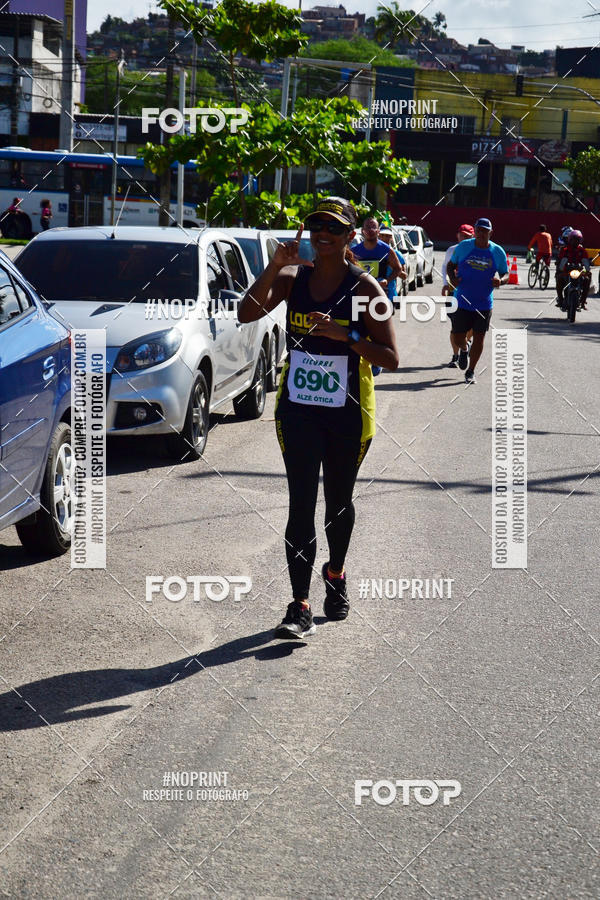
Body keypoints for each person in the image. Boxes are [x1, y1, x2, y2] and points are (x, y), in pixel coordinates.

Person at [238, 197, 399, 638]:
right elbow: (246, 313)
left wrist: (346, 336)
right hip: (298, 411)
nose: (323, 234)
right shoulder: (293, 278)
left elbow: (391, 357)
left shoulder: (366, 289)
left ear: (350, 236)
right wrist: (274, 266)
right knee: (301, 505)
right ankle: (300, 604)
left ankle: (336, 572)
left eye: (333, 227)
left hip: (348, 413)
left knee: (338, 504)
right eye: (317, 226)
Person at [446, 217, 509, 384]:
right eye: (479, 230)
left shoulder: (497, 251)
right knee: (458, 337)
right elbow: (450, 265)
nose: (481, 233)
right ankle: (464, 349)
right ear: (474, 231)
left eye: (485, 231)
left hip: (484, 303)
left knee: (480, 338)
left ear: (491, 233)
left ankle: (471, 371)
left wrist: (501, 281)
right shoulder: (464, 246)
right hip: (462, 300)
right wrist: (453, 279)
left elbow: (506, 273)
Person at [441, 224, 474, 368]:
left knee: (472, 326)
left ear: (472, 237)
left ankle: (466, 343)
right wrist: (445, 283)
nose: (464, 238)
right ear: (457, 235)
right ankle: (455, 356)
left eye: (467, 236)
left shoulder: (477, 251)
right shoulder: (452, 250)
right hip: (453, 292)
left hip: (472, 293)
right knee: (455, 326)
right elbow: (445, 267)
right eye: (462, 235)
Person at [352, 215, 403, 294]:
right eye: (367, 227)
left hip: (380, 293)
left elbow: (398, 269)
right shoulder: (354, 251)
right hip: (360, 293)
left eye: (374, 227)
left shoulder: (387, 250)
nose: (371, 230)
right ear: (362, 231)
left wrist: (387, 280)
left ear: (378, 231)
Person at [555, 229, 591, 310]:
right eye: (574, 239)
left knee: (587, 279)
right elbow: (560, 259)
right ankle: (560, 299)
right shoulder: (565, 250)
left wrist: (588, 265)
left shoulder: (582, 250)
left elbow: (585, 260)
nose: (576, 241)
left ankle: (583, 301)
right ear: (570, 240)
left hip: (579, 271)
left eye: (578, 239)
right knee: (559, 278)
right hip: (566, 271)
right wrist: (559, 263)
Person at [378, 227, 407, 304]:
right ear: (378, 236)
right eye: (382, 235)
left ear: (391, 238)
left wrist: (394, 267)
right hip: (373, 294)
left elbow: (404, 276)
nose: (384, 238)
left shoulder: (397, 254)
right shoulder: (372, 252)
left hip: (390, 295)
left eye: (388, 236)